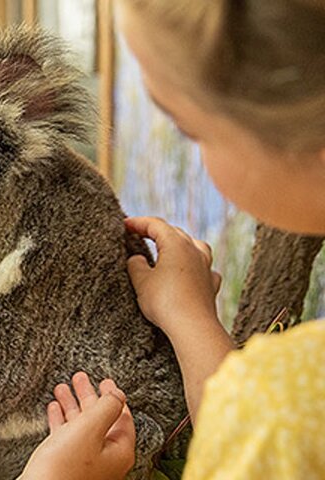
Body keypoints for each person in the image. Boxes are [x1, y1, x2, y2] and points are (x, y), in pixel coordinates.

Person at [20, 0, 325, 479]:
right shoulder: (286, 396)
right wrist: (189, 318)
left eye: (191, 129)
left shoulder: (287, 408)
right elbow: (245, 420)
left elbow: (261, 424)